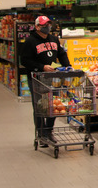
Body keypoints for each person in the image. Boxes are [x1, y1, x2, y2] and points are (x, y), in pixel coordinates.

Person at [20, 16, 71, 146]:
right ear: (37, 26)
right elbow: (24, 61)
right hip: (36, 78)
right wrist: (42, 67)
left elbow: (61, 53)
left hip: (52, 78)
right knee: (39, 106)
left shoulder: (54, 39)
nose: (47, 27)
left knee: (53, 105)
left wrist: (68, 67)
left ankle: (49, 131)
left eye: (49, 24)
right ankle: (41, 133)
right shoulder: (30, 42)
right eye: (44, 25)